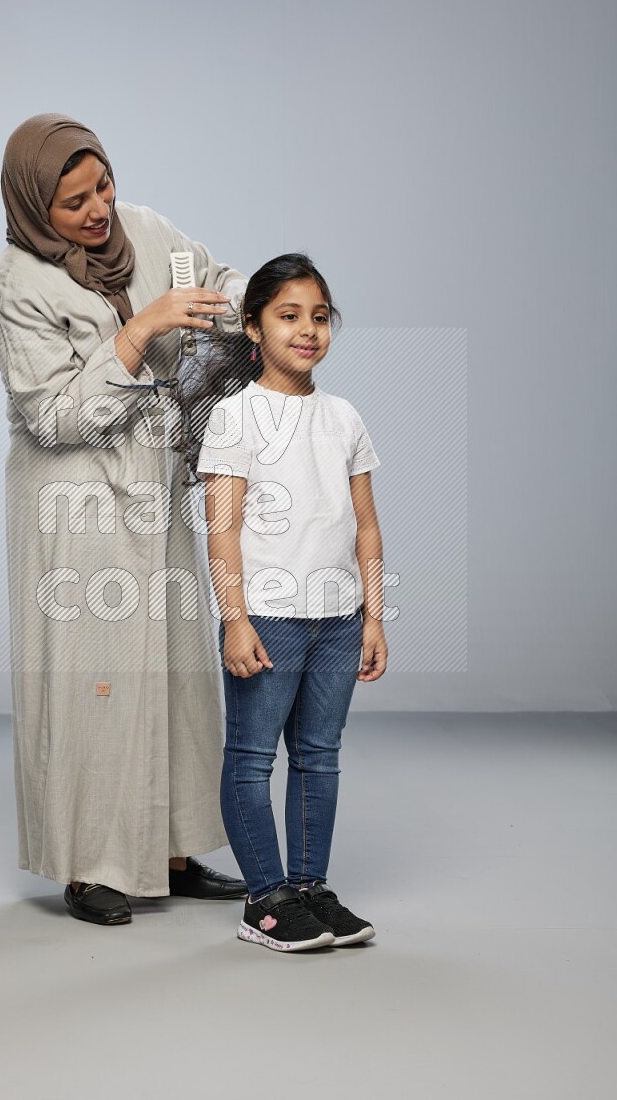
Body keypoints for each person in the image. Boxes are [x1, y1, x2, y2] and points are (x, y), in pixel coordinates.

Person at [0, 113, 249, 925]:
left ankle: (168, 849)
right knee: (90, 687)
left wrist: (255, 304)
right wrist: (139, 330)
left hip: (153, 485)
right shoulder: (15, 290)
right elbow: (57, 417)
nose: (98, 210)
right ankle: (90, 864)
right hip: (77, 505)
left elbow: (215, 279)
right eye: (73, 202)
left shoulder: (145, 230)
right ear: (34, 207)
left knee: (174, 671)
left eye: (103, 186)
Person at [178, 252, 388, 952]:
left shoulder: (345, 416)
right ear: (254, 328)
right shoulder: (234, 418)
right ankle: (264, 901)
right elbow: (224, 526)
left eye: (320, 317)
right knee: (251, 757)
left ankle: (308, 888)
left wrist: (373, 616)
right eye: (289, 316)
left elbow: (364, 522)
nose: (308, 330)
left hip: (337, 617)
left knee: (319, 756)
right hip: (267, 616)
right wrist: (234, 618)